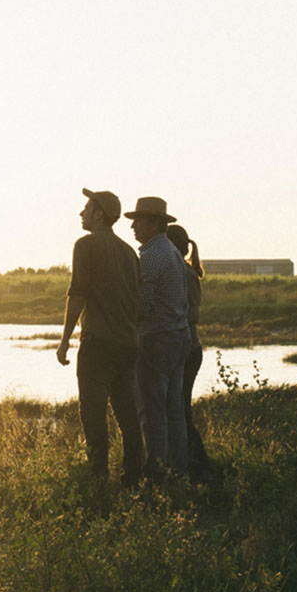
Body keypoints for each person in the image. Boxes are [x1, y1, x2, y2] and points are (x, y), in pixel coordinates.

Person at [56, 188, 145, 486]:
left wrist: (64, 340)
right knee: (128, 416)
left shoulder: (85, 245)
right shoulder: (130, 253)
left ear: (98, 214)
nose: (80, 213)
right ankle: (134, 479)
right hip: (128, 346)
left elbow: (77, 294)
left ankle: (98, 478)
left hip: (98, 346)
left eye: (85, 208)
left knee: (93, 414)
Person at [125, 197, 190, 483]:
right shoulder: (172, 251)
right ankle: (179, 471)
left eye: (138, 220)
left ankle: (157, 473)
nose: (133, 226)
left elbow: (142, 307)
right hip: (178, 335)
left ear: (153, 222)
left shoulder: (151, 256)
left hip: (156, 338)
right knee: (174, 409)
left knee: (152, 411)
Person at [165, 223, 213, 478]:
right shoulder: (183, 271)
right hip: (186, 348)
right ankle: (189, 462)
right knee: (178, 408)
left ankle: (198, 464)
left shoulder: (184, 273)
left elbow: (193, 313)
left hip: (187, 349)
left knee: (180, 409)